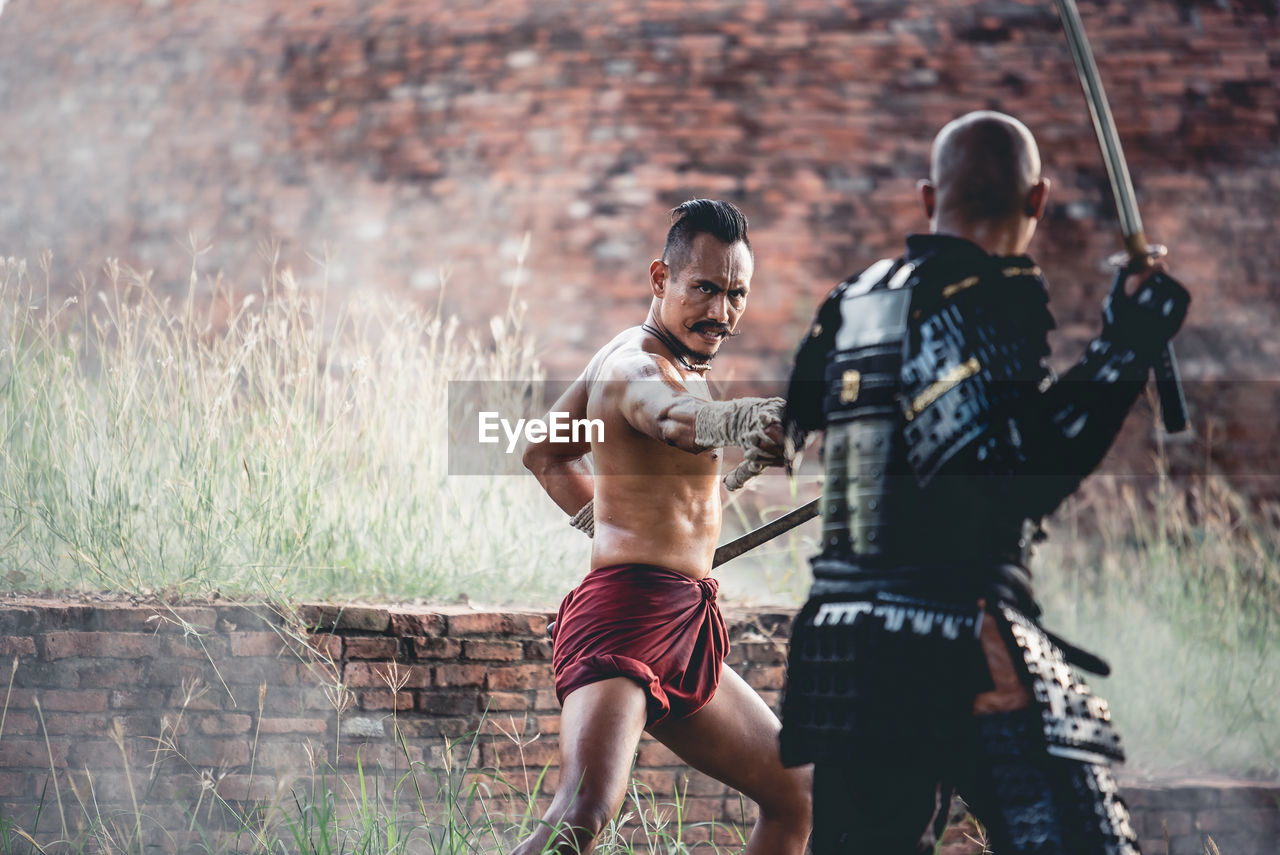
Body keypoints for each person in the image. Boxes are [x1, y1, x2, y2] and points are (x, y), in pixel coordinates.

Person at [779, 111, 1189, 854]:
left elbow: (803, 415)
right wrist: (1125, 343)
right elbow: (1016, 475)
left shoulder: (850, 300)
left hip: (843, 644)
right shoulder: (991, 289)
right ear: (1037, 203)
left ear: (928, 195)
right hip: (958, 633)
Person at [515, 199, 812, 855]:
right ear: (660, 278)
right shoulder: (635, 366)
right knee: (584, 811)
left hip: (684, 620)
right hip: (625, 616)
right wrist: (739, 422)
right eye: (704, 287)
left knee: (797, 794)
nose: (721, 312)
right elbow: (670, 416)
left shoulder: (674, 364)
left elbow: (543, 451)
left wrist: (607, 513)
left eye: (736, 293)